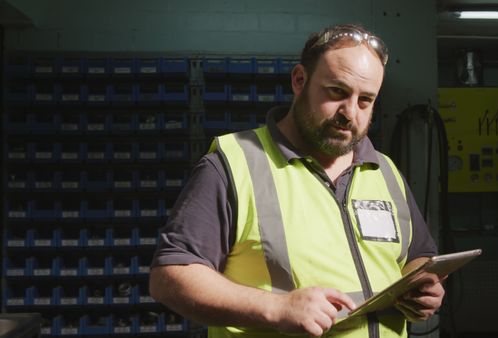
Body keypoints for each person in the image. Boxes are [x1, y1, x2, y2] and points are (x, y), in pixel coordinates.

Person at [149, 23, 445, 338]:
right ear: (299, 80)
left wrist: (423, 287)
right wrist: (275, 308)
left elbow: (418, 257)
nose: (350, 113)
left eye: (365, 101)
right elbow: (171, 276)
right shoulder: (234, 164)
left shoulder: (384, 171)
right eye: (337, 92)